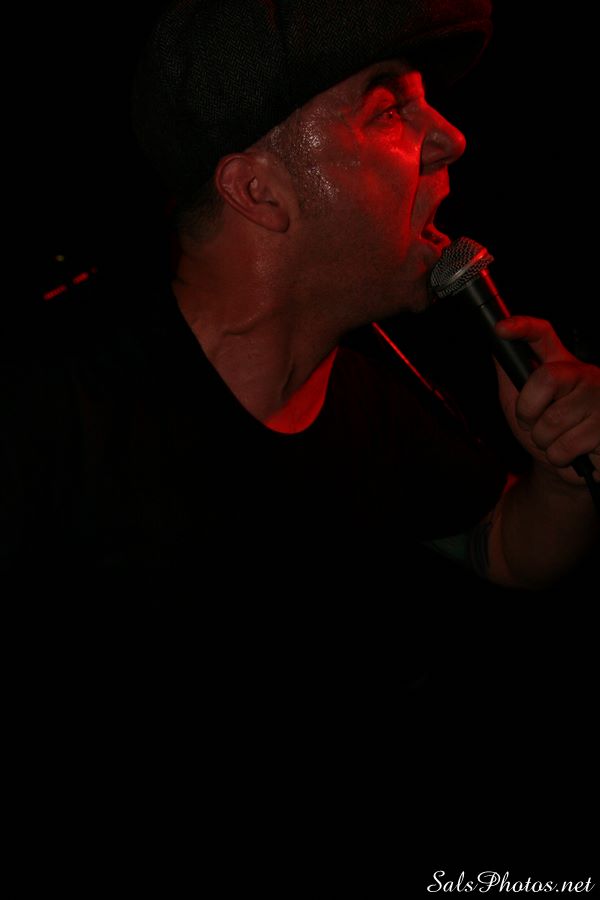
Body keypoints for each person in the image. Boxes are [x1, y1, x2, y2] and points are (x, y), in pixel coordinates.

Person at [2, 0, 599, 804]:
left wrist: (562, 476)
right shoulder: (46, 400)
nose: (451, 138)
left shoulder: (372, 388)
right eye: (388, 109)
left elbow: (507, 547)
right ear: (258, 190)